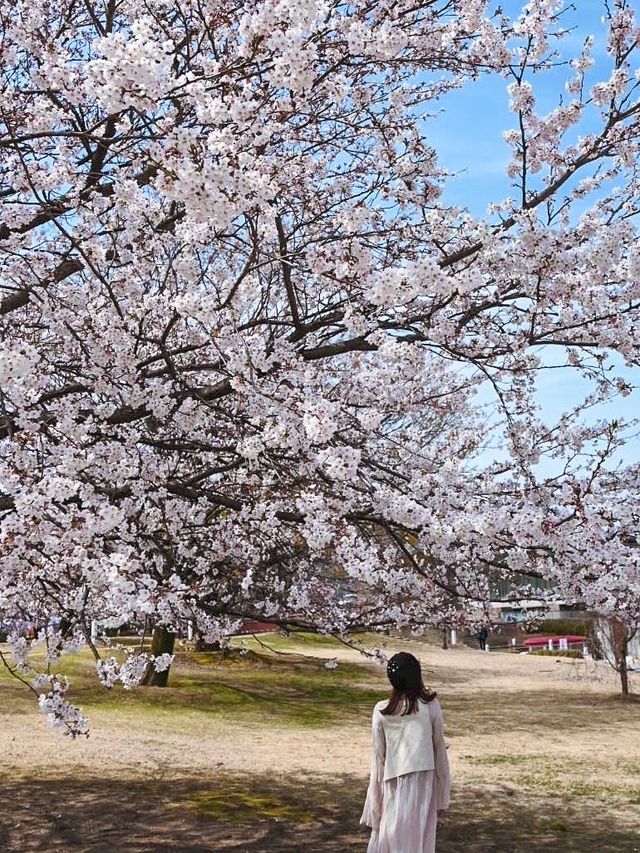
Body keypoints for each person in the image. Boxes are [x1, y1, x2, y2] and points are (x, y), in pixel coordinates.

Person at [360, 651, 451, 853]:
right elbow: (439, 752)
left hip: (394, 781)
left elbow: (378, 760)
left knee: (392, 836)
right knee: (419, 841)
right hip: (423, 781)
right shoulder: (430, 705)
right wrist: (443, 795)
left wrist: (376, 804)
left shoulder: (382, 711)